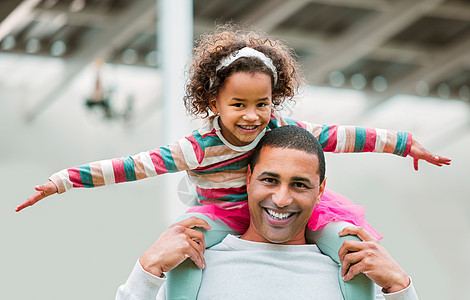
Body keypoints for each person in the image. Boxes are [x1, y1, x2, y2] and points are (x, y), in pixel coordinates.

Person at [16, 24, 445, 299]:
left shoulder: (286, 130)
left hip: (323, 233)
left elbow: (351, 136)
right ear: (212, 102)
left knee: (353, 245)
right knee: (188, 249)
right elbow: (132, 165)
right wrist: (62, 181)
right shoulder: (198, 149)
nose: (252, 116)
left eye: (261, 103)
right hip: (221, 215)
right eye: (238, 104)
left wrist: (405, 143)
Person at [115, 126, 419, 299]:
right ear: (248, 179)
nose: (282, 199)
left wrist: (401, 287)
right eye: (270, 180)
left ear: (321, 190)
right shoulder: (194, 264)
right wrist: (146, 269)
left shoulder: (351, 274)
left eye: (299, 185)